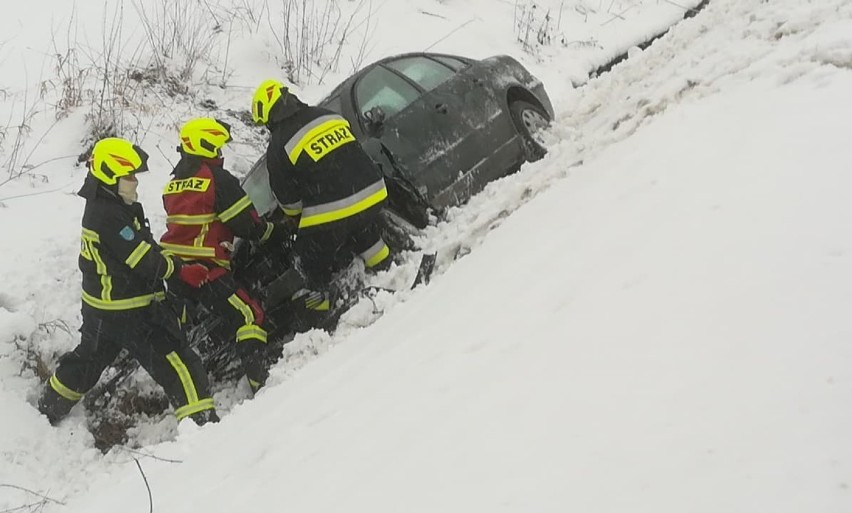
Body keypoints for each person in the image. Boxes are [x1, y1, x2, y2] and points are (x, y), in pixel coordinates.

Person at [38, 138, 218, 426]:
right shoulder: (109, 215)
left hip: (100, 310)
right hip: (130, 312)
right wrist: (182, 271)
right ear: (111, 175)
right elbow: (143, 259)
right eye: (130, 175)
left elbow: (139, 248)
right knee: (179, 363)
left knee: (87, 362)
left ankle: (48, 408)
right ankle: (204, 425)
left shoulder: (106, 204)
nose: (134, 181)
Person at [160, 117, 285, 392]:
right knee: (249, 316)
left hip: (176, 272)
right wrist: (274, 232)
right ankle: (260, 383)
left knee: (182, 335)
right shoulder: (216, 179)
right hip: (208, 272)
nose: (220, 154)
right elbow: (247, 224)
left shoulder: (174, 183)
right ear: (203, 146)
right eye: (215, 149)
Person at [250, 79, 392, 314]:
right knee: (364, 232)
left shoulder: (278, 145)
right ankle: (389, 268)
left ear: (268, 117)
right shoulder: (327, 115)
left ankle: (321, 314)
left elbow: (288, 201)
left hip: (336, 207)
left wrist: (297, 220)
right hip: (374, 192)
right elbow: (349, 153)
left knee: (310, 260)